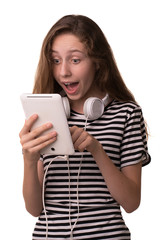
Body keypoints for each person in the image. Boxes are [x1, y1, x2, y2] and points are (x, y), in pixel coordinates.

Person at [19, 15, 151, 240]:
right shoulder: (46, 114)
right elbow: (34, 209)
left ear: (98, 61)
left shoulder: (127, 114)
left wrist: (97, 150)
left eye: (75, 60)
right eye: (56, 60)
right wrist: (29, 161)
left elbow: (131, 203)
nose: (63, 72)